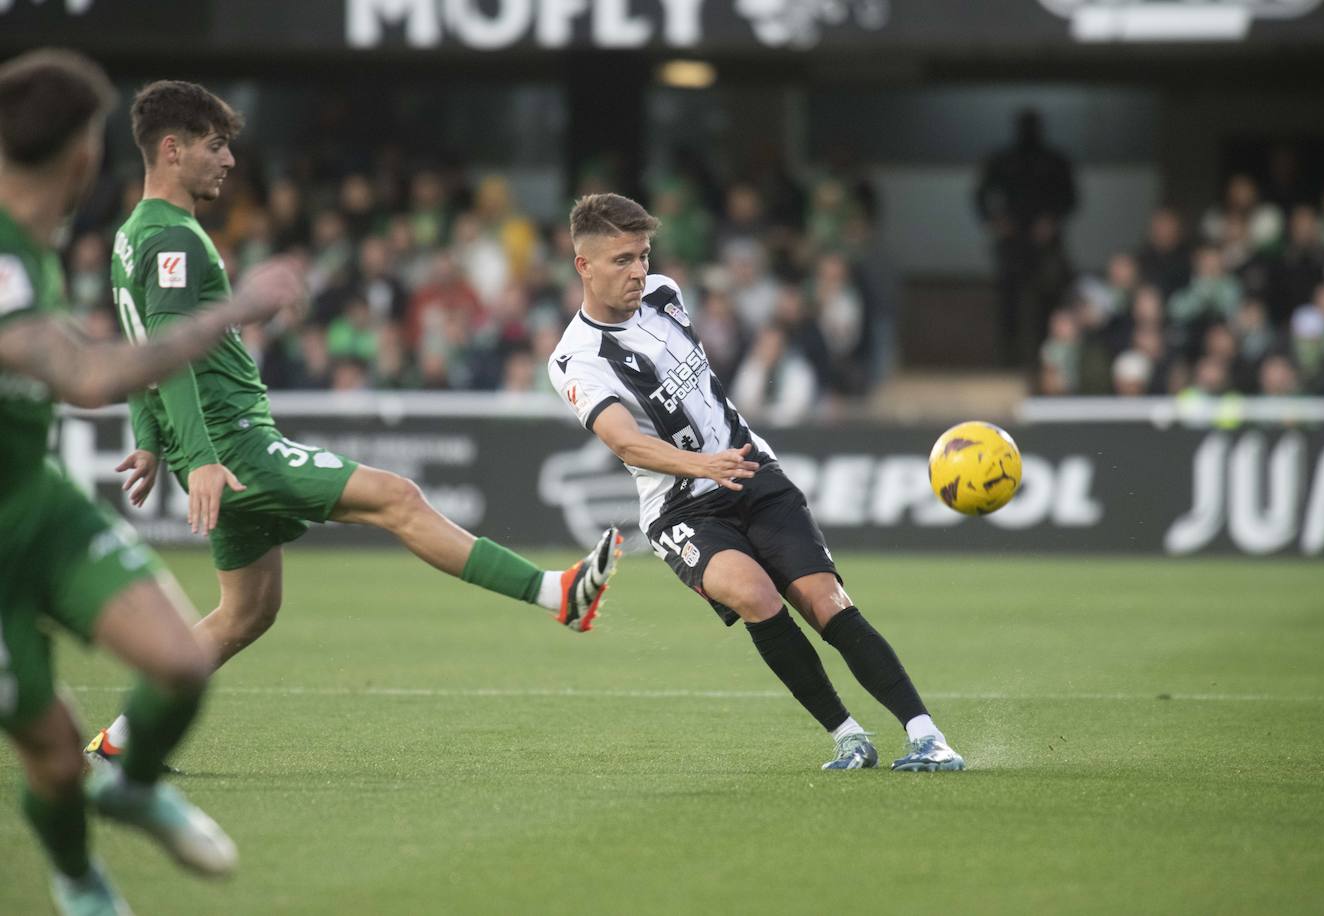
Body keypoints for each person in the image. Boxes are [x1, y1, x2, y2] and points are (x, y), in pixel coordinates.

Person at [86, 80, 621, 765]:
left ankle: (122, 741)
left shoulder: (133, 237)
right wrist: (200, 454)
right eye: (216, 147)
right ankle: (559, 594)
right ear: (171, 148)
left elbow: (143, 353)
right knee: (398, 497)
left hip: (219, 445)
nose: (228, 162)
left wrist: (148, 440)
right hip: (233, 445)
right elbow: (170, 357)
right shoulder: (173, 241)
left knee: (248, 613)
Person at [0, 49, 306, 915]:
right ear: (84, 158)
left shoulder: (43, 235)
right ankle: (76, 877)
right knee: (55, 762)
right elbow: (87, 375)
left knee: (181, 663)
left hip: (37, 500)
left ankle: (131, 786)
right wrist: (233, 313)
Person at [548, 193, 964, 773]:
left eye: (643, 255)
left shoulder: (666, 295)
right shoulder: (576, 358)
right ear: (583, 266)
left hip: (752, 471)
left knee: (827, 602)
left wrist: (724, 459)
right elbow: (624, 442)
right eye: (622, 260)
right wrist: (701, 465)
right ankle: (848, 736)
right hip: (681, 510)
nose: (639, 270)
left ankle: (928, 737)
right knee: (755, 597)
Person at [975, 109, 1078, 367]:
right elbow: (980, 195)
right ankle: (1008, 359)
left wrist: (1051, 221)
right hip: (1012, 242)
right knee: (1009, 303)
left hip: (1045, 243)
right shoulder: (1004, 159)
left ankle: (1045, 360)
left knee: (1047, 301)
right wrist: (997, 222)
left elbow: (1071, 198)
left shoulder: (1054, 160)